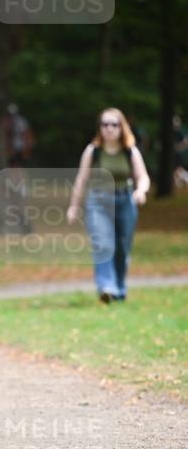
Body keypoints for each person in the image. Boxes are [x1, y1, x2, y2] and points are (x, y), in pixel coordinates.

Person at [67, 107, 150, 303]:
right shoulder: (93, 151)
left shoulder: (130, 151)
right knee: (103, 244)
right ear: (100, 128)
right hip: (98, 201)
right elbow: (81, 179)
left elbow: (143, 176)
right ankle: (106, 287)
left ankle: (119, 288)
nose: (109, 128)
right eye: (105, 124)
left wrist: (141, 191)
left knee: (122, 247)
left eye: (114, 124)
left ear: (122, 127)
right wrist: (74, 206)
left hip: (125, 200)